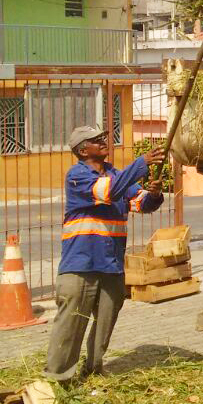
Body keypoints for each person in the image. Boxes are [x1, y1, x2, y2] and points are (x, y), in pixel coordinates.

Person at [44, 125, 166, 382]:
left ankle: (94, 369)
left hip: (111, 264)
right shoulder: (77, 176)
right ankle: (58, 378)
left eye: (103, 137)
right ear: (82, 150)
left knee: (105, 321)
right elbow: (109, 191)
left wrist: (154, 196)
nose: (103, 141)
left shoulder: (115, 175)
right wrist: (141, 163)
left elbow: (140, 202)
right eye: (96, 139)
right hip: (81, 264)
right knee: (72, 323)